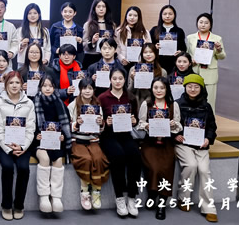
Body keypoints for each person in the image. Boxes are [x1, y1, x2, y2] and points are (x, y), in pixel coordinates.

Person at [97, 68, 141, 218]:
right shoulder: (102, 98)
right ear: (110, 79)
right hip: (108, 136)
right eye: (114, 78)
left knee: (135, 155)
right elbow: (98, 121)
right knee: (118, 155)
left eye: (120, 78)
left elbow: (135, 119)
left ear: (124, 80)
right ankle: (120, 197)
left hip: (125, 135)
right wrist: (105, 122)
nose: (117, 81)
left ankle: (132, 197)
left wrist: (134, 121)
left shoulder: (131, 97)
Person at [0, 71, 36, 221]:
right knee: (8, 166)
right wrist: (9, 149)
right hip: (3, 144)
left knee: (23, 168)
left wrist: (22, 147)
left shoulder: (29, 103)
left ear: (22, 84)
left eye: (17, 82)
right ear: (5, 85)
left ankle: (19, 205)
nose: (14, 85)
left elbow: (31, 129)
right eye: (11, 83)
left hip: (23, 144)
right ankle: (6, 205)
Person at [174, 74, 218, 223]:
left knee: (204, 171)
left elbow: (212, 126)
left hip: (201, 145)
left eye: (196, 87)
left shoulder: (206, 106)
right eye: (189, 86)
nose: (192, 89)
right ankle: (183, 198)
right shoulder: (177, 104)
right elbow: (172, 123)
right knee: (191, 165)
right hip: (184, 144)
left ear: (201, 88)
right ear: (185, 87)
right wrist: (176, 135)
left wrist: (208, 139)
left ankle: (209, 208)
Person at [136, 77, 181, 221]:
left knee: (166, 169)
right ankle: (152, 194)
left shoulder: (173, 105)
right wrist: (147, 126)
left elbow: (179, 125)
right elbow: (140, 123)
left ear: (167, 89)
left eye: (162, 88)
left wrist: (173, 125)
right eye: (156, 88)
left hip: (167, 143)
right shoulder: (147, 104)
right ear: (152, 89)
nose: (159, 91)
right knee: (154, 168)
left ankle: (162, 203)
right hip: (150, 143)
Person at [68, 79, 108, 211]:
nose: (87, 91)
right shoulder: (73, 105)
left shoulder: (97, 105)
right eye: (84, 88)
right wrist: (77, 124)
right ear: (80, 89)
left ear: (94, 90)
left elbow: (101, 130)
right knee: (86, 159)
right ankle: (84, 191)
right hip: (78, 139)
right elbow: (67, 126)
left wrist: (101, 123)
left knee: (98, 158)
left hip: (93, 140)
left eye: (90, 88)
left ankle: (96, 190)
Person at [33, 74, 71, 213]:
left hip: (56, 142)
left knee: (58, 160)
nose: (47, 89)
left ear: (55, 88)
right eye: (44, 86)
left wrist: (62, 136)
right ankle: (44, 196)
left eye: (50, 86)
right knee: (44, 158)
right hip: (38, 142)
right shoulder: (34, 103)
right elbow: (30, 126)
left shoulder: (60, 103)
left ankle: (56, 197)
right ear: (40, 87)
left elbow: (65, 126)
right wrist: (36, 136)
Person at [185, 13, 225, 111]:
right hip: (194, 71)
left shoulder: (217, 38)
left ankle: (210, 120)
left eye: (206, 23)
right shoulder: (190, 37)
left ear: (210, 25)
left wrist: (219, 49)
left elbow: (222, 56)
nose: (203, 25)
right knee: (193, 101)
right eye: (201, 22)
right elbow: (187, 54)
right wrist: (190, 60)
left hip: (209, 73)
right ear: (197, 23)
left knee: (209, 102)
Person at [127, 43, 168, 111]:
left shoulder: (162, 72)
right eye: (145, 52)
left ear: (155, 53)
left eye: (151, 52)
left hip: (155, 104)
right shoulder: (134, 69)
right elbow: (129, 92)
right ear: (142, 54)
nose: (148, 54)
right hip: (138, 103)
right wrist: (133, 80)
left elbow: (165, 92)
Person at [82, 0, 117, 69]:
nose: (101, 9)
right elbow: (84, 45)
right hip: (91, 57)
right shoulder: (88, 25)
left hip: (108, 58)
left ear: (106, 8)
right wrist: (92, 42)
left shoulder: (112, 25)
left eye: (103, 6)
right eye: (98, 6)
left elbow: (116, 43)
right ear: (94, 8)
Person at [149, 5, 187, 73]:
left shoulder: (179, 31)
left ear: (174, 15)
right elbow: (148, 46)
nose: (167, 16)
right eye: (165, 14)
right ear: (161, 15)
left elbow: (183, 48)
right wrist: (154, 47)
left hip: (174, 63)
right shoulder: (154, 30)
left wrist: (180, 52)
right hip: (157, 63)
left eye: (170, 14)